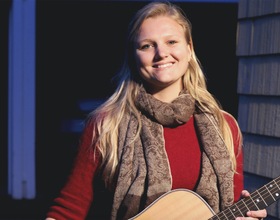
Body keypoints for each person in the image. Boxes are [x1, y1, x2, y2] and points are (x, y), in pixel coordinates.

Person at [45, 1, 267, 220]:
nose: (161, 53)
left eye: (171, 42)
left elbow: (230, 203)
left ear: (189, 49)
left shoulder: (224, 126)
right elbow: (69, 209)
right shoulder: (106, 125)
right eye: (147, 45)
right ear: (134, 56)